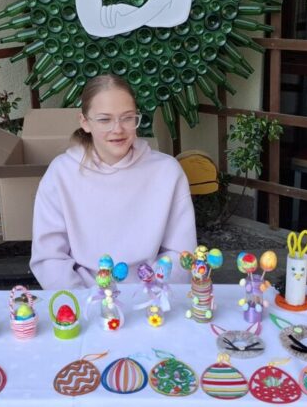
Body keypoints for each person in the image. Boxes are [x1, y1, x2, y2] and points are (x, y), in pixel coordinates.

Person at [30, 74, 197, 289]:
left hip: (152, 296)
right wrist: (82, 300)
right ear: (85, 122)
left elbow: (181, 253)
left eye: (127, 118)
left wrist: (152, 295)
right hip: (84, 298)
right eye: (104, 120)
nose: (117, 129)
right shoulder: (61, 173)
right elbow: (49, 257)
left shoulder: (167, 171)